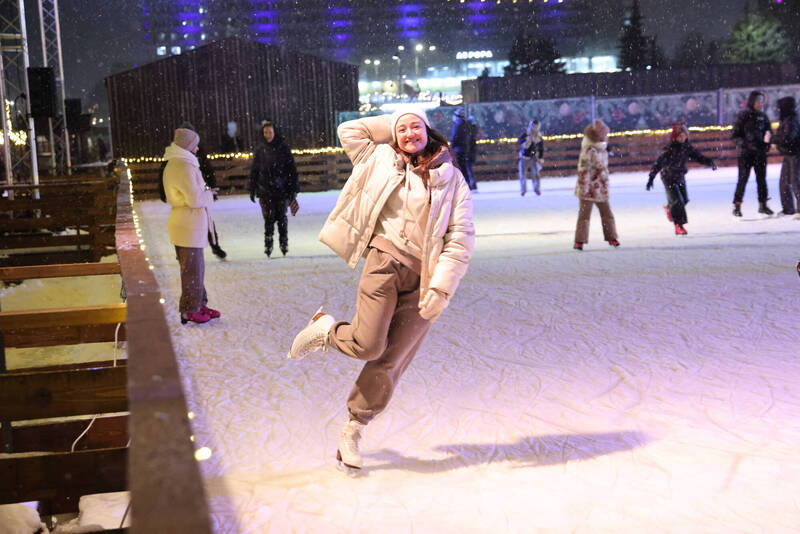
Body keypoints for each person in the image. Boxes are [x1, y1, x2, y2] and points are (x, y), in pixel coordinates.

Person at [286, 106, 475, 471]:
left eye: (415, 126)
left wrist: (442, 288)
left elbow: (461, 236)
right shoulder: (379, 157)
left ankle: (354, 428)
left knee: (391, 361)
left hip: (425, 280)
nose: (408, 134)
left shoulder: (452, 178)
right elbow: (349, 130)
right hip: (384, 261)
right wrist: (392, 124)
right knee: (369, 344)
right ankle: (328, 330)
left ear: (428, 130)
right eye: (401, 128)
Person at [162, 128, 221, 324]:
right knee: (192, 270)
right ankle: (190, 309)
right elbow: (195, 198)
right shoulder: (183, 166)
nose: (197, 148)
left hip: (187, 224)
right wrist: (210, 194)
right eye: (195, 144)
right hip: (187, 225)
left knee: (196, 268)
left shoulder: (179, 163)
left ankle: (199, 303)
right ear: (187, 145)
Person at [158, 123, 227, 259]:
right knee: (191, 228)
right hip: (189, 201)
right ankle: (185, 250)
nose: (196, 147)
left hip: (200, 192)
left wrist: (210, 188)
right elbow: (163, 176)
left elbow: (208, 169)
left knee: (207, 221)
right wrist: (163, 192)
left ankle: (214, 245)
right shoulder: (178, 160)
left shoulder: (196, 153)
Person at [647, 123, 717, 235]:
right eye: (680, 136)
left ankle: (669, 208)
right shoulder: (669, 149)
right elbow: (658, 164)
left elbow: (698, 157)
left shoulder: (687, 147)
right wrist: (651, 178)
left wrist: (709, 162)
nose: (682, 138)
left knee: (684, 200)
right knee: (677, 201)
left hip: (680, 177)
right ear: (675, 137)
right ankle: (679, 225)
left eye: (684, 136)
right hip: (668, 177)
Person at [248, 120, 300, 257]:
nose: (268, 135)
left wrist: (293, 188)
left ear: (274, 132)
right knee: (269, 219)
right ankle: (268, 244)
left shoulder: (283, 148)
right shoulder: (260, 149)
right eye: (265, 132)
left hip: (281, 189)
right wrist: (252, 188)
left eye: (270, 132)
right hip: (265, 190)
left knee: (282, 218)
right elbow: (255, 170)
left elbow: (291, 169)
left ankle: (284, 243)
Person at [573, 119, 619, 250]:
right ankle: (579, 241)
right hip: (588, 189)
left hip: (600, 189)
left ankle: (612, 238)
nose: (606, 137)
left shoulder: (602, 149)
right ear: (598, 135)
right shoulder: (589, 150)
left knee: (607, 213)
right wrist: (585, 187)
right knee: (584, 216)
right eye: (604, 134)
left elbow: (603, 169)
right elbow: (583, 170)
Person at [731, 90, 773, 217]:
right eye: (758, 101)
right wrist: (745, 145)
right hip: (745, 154)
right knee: (742, 180)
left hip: (760, 154)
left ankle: (763, 205)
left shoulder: (763, 116)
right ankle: (737, 206)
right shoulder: (743, 115)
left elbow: (768, 131)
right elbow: (735, 135)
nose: (760, 103)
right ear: (752, 101)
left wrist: (767, 143)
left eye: (761, 101)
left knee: (762, 180)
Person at [771, 96, 800, 219]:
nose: (778, 110)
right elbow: (782, 135)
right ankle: (788, 209)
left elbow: (787, 138)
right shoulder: (786, 119)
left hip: (795, 154)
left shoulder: (792, 120)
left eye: (779, 108)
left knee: (795, 182)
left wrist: (772, 139)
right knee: (784, 182)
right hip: (789, 154)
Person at [449, 107, 476, 190]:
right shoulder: (466, 125)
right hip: (465, 149)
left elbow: (454, 138)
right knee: (465, 167)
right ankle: (469, 183)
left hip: (458, 150)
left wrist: (451, 148)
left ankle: (464, 184)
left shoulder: (458, 125)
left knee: (460, 168)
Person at [518, 119, 544, 196]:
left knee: (536, 174)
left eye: (536, 127)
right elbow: (520, 141)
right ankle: (523, 190)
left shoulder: (539, 136)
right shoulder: (526, 134)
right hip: (524, 156)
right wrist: (527, 140)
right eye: (534, 126)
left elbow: (541, 148)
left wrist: (540, 158)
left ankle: (537, 189)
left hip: (533, 156)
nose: (535, 128)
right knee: (523, 174)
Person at [467, 115, 480, 191]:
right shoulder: (473, 131)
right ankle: (472, 184)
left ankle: (472, 184)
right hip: (471, 152)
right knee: (469, 169)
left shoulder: (469, 133)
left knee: (469, 169)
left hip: (469, 153)